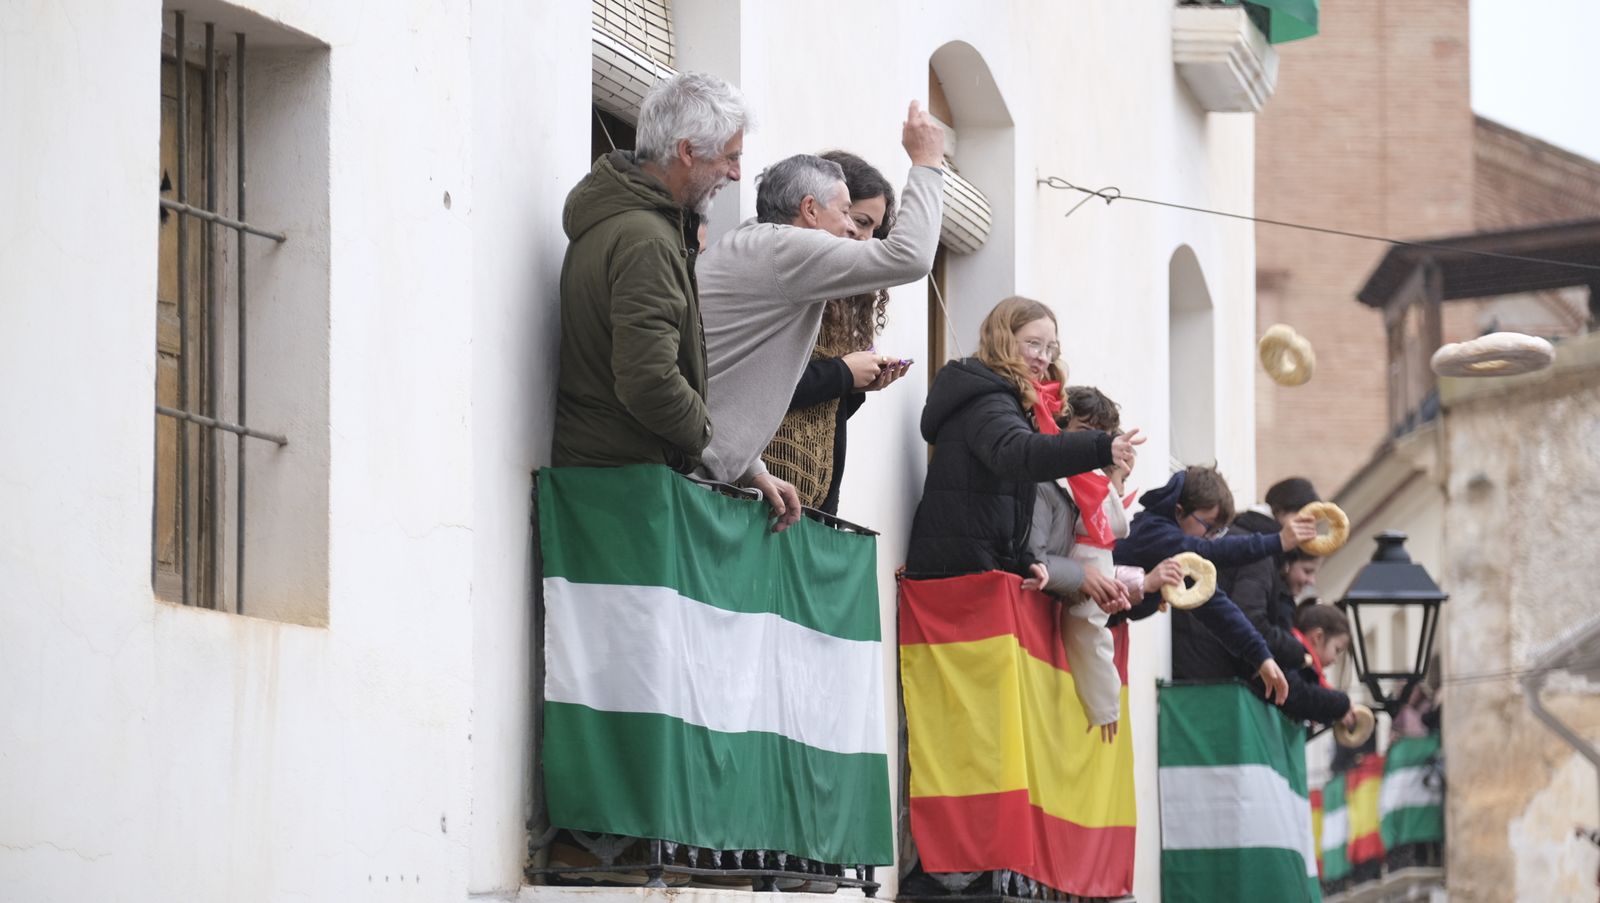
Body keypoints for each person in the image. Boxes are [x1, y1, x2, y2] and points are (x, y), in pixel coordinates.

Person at [698, 103, 946, 529]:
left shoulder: (763, 248)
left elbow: (742, 380)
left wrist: (751, 468)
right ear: (810, 210)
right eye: (848, 213)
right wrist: (926, 162)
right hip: (698, 477)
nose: (853, 230)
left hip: (720, 472)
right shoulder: (786, 248)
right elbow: (912, 256)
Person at [552, 72, 752, 471]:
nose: (735, 174)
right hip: (623, 484)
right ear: (687, 152)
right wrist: (703, 435)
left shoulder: (637, 226)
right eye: (730, 157)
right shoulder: (647, 239)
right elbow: (648, 380)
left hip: (610, 476)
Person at [907, 296, 1141, 582]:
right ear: (1003, 339)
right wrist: (1100, 446)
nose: (1043, 357)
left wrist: (1026, 560)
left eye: (1050, 348)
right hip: (962, 574)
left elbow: (1010, 506)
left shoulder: (1009, 402)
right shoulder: (987, 398)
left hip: (975, 569)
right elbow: (1017, 454)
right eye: (1033, 344)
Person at [761, 151, 911, 515]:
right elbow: (764, 388)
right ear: (816, 210)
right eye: (858, 220)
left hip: (814, 499)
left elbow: (825, 415)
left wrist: (858, 386)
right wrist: (843, 372)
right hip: (764, 487)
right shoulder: (784, 281)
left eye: (876, 231)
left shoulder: (844, 303)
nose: (864, 238)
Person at [1031, 386, 1182, 742]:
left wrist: (1129, 585)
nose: (1092, 446)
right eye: (1085, 433)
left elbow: (1094, 588)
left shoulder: (1088, 491)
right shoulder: (1054, 476)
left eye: (1100, 438)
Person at [1111, 465, 1310, 705]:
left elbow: (1219, 608)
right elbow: (1207, 550)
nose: (1209, 537)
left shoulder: (1181, 558)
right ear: (1179, 511)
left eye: (1218, 532)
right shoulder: (1155, 532)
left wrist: (1261, 656)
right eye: (1207, 526)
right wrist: (1276, 541)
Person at [1176, 475, 1323, 680]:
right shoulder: (1256, 552)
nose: (1308, 533)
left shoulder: (1240, 536)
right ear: (1281, 513)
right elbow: (1251, 620)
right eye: (1303, 520)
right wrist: (1297, 651)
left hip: (1195, 670)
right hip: (1213, 679)